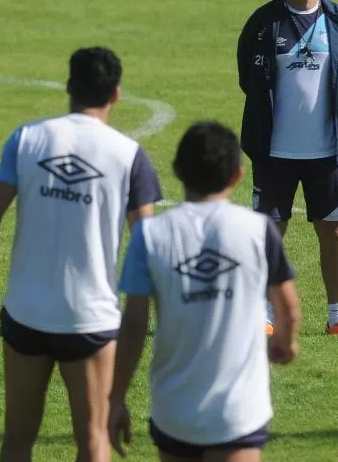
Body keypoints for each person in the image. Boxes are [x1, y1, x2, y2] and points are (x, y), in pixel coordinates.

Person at [0, 47, 162, 462]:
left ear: (68, 88)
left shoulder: (27, 139)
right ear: (115, 94)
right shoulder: (130, 156)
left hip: (25, 313)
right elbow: (146, 246)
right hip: (89, 319)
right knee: (93, 439)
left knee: (18, 439)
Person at [109, 121, 301, 462]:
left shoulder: (149, 236)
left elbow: (135, 323)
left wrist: (116, 397)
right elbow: (287, 306)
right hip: (239, 412)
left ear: (177, 172)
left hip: (175, 411)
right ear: (237, 177)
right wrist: (285, 343)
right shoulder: (259, 230)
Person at [237, 0, 338, 336]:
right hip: (274, 151)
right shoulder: (263, 22)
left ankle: (337, 317)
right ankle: (264, 316)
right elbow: (248, 78)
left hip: (327, 151)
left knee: (334, 233)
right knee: (269, 234)